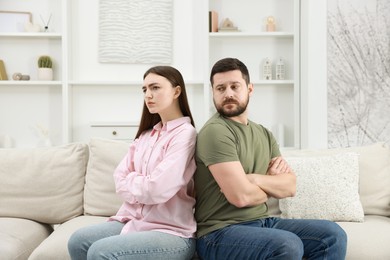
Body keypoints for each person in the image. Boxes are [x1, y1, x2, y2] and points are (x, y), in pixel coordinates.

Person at [194, 57, 347, 260]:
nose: (228, 93)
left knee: (332, 234)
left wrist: (254, 179)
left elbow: (290, 186)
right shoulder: (215, 132)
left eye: (234, 86)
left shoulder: (263, 133)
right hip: (219, 233)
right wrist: (270, 186)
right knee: (287, 245)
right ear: (213, 93)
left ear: (249, 89)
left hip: (262, 222)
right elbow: (241, 197)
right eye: (220, 88)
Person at [68, 66, 197, 260]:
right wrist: (142, 184)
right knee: (77, 241)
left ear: (176, 91)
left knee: (99, 251)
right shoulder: (146, 135)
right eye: (145, 89)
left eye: (155, 88)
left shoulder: (185, 134)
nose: (148, 95)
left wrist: (134, 180)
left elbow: (157, 189)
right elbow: (119, 180)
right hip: (133, 221)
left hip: (171, 231)